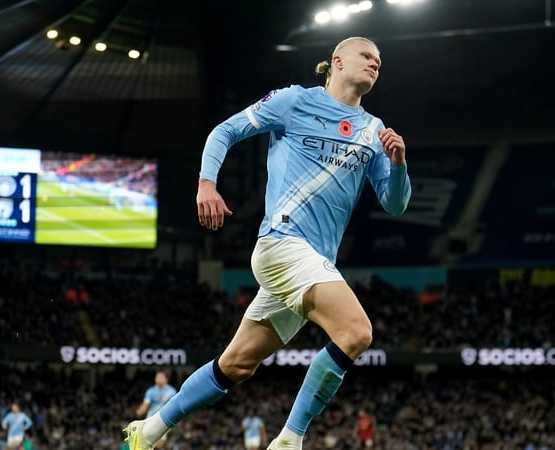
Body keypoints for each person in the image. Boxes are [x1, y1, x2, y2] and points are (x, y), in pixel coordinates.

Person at [123, 35, 410, 450]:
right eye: (366, 55)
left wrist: (398, 164)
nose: (374, 64)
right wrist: (207, 185)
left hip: (311, 262)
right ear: (337, 62)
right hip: (283, 243)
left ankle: (148, 431)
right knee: (356, 332)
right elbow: (226, 131)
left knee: (236, 365)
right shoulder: (294, 101)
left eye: (379, 62)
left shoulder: (374, 131)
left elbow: (396, 204)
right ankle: (289, 440)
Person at [134, 372, 177, 449]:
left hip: (164, 420)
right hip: (150, 419)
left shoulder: (172, 391)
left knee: (158, 445)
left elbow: (174, 407)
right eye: (157, 377)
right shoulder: (151, 391)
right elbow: (145, 404)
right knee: (145, 443)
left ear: (166, 379)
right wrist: (139, 411)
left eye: (161, 377)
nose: (158, 379)